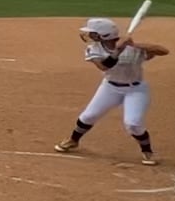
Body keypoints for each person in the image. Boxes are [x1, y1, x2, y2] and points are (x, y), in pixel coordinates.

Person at [55, 17, 167, 165]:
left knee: (133, 123)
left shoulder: (132, 49)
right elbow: (105, 66)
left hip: (136, 90)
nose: (90, 36)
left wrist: (134, 45)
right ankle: (73, 140)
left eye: (93, 33)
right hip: (110, 88)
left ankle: (147, 151)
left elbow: (163, 51)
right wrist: (119, 50)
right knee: (88, 116)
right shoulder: (94, 49)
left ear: (104, 34)